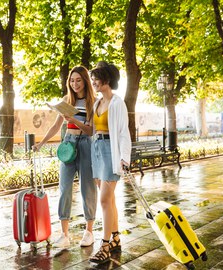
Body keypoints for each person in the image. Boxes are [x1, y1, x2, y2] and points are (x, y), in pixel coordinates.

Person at [33, 66, 97, 248]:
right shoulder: (66, 100)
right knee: (64, 188)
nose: (74, 84)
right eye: (72, 80)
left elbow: (90, 129)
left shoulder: (93, 102)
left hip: (85, 143)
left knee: (88, 189)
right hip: (68, 144)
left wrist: (74, 119)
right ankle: (64, 234)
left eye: (78, 80)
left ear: (85, 81)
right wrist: (41, 143)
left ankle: (89, 231)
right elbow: (55, 126)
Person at [88, 62, 131, 263]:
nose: (93, 81)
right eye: (93, 78)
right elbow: (92, 130)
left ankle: (104, 246)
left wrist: (124, 158)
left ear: (106, 80)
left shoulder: (117, 103)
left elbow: (123, 132)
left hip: (110, 152)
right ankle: (115, 238)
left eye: (96, 78)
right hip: (97, 150)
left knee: (104, 199)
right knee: (110, 199)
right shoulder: (97, 104)